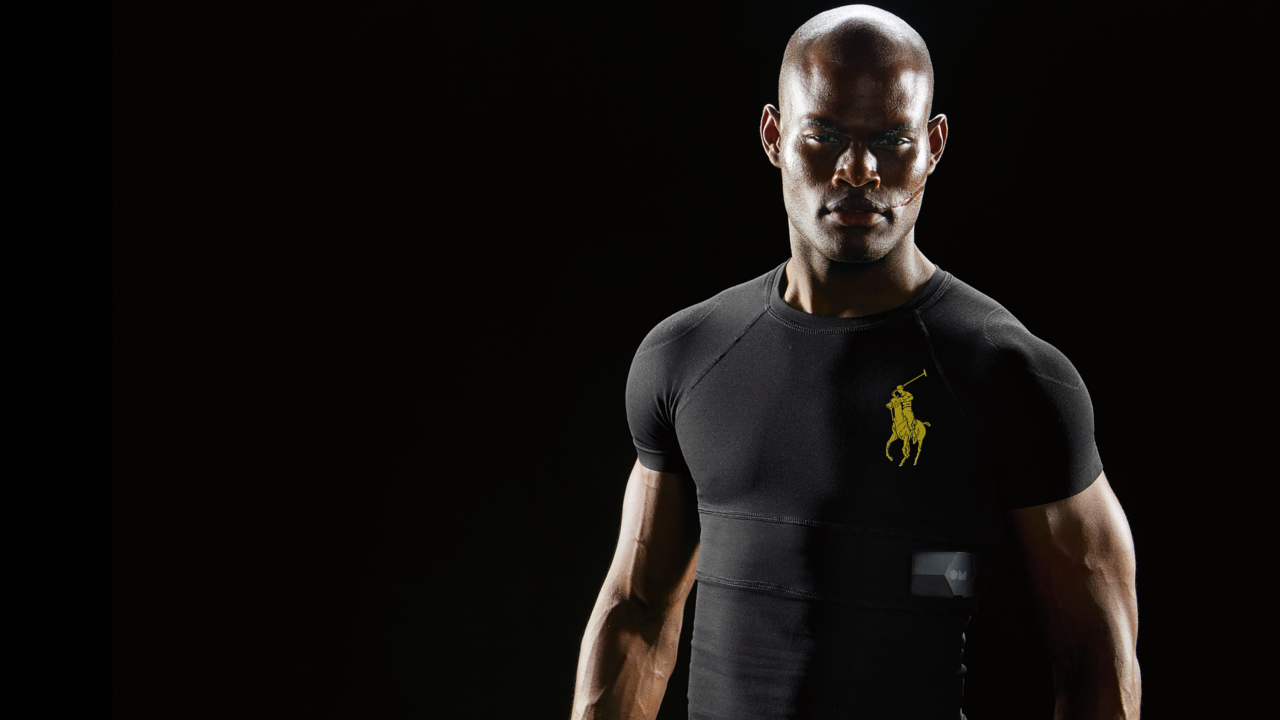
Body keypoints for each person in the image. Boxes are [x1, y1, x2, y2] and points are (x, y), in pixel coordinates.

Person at [570, 5, 1140, 719]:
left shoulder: (1013, 377)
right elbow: (637, 611)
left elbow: (1096, 656)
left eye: (892, 140)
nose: (859, 170)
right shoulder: (688, 356)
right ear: (775, 137)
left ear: (932, 145)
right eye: (826, 136)